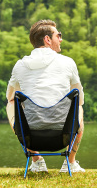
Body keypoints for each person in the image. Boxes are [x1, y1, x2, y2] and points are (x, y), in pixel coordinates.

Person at [6, 19, 85, 173]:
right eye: (58, 35)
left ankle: (37, 161)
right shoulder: (68, 63)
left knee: (11, 103)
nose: (61, 39)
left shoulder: (20, 65)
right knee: (79, 104)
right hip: (64, 134)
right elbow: (79, 98)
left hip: (31, 135)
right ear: (47, 39)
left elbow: (10, 95)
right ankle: (70, 163)